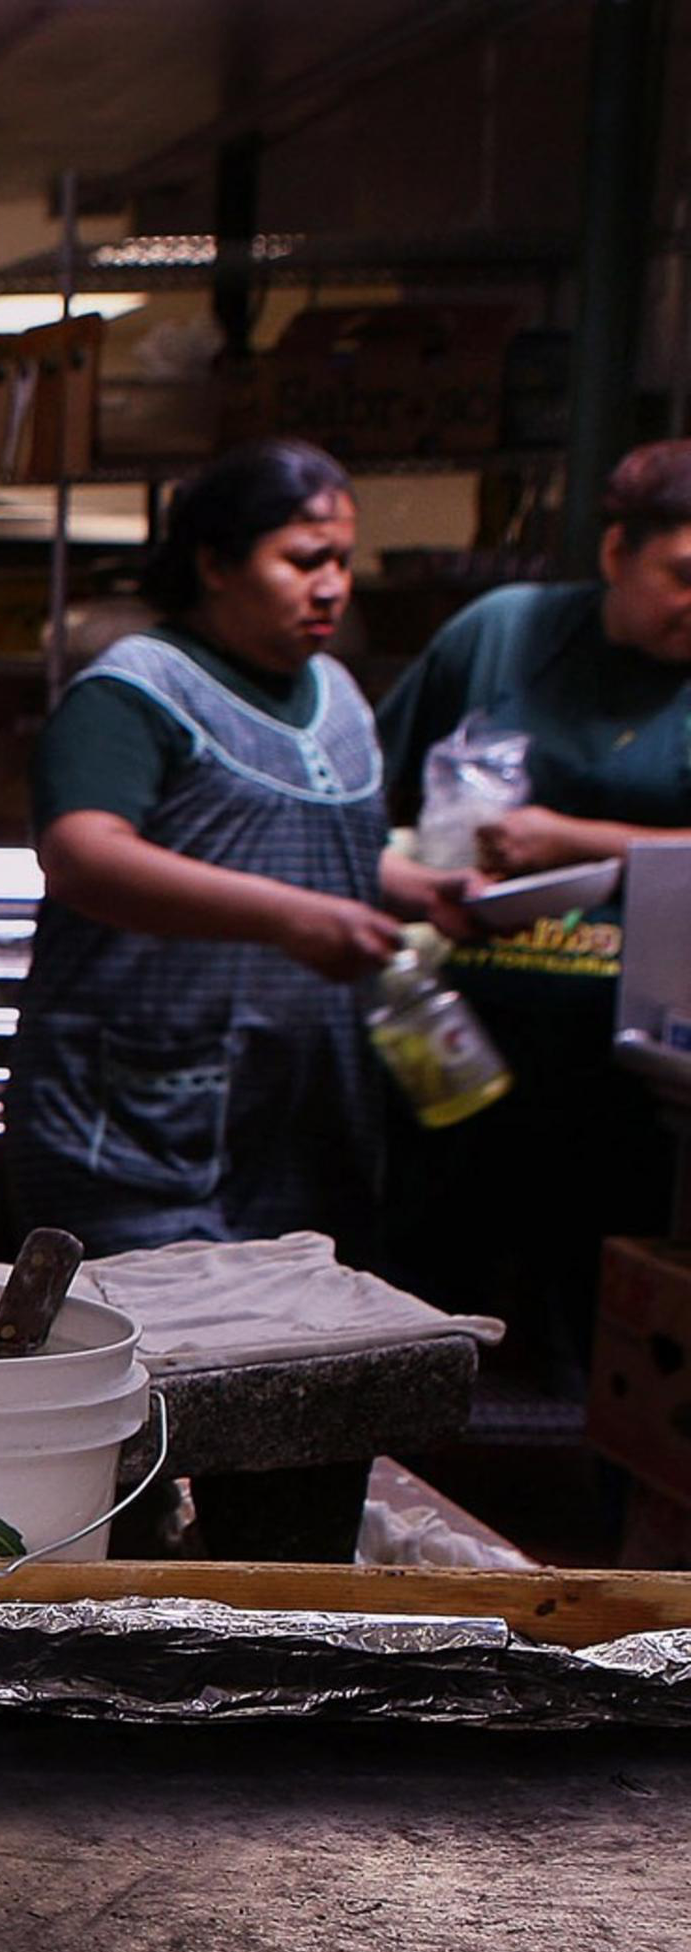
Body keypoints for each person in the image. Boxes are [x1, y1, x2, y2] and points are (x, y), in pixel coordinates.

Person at [4, 437, 464, 1256]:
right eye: (301, 560)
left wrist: (421, 892)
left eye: (342, 562)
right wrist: (289, 920)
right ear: (215, 564)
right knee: (155, 1355)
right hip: (143, 1113)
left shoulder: (340, 695)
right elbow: (82, 854)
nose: (330, 586)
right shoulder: (136, 690)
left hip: (300, 1111)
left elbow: (319, 850)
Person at [377, 438, 691, 1389]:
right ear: (613, 556)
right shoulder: (502, 635)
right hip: (451, 1035)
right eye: (679, 575)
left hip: (633, 1072)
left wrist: (572, 840)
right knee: (421, 1307)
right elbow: (360, 800)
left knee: (599, 1332)